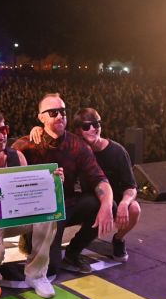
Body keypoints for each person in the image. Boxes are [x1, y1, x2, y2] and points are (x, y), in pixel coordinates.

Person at [12, 93, 115, 276]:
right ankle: (29, 238)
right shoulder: (25, 145)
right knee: (50, 269)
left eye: (62, 112)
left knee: (107, 204)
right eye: (53, 113)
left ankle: (73, 253)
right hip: (38, 213)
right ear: (41, 117)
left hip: (65, 206)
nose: (60, 116)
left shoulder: (77, 145)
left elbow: (99, 179)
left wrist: (107, 206)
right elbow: (2, 167)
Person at [0, 109, 57, 298]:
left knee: (48, 215)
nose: (2, 136)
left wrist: (51, 182)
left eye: (4, 130)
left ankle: (36, 274)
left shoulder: (17, 157)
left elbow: (28, 195)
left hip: (12, 216)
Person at [33, 108, 140, 261]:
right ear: (78, 131)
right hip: (91, 197)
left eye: (96, 124)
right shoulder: (78, 149)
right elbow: (56, 135)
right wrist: (38, 130)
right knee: (93, 205)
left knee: (134, 209)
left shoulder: (117, 151)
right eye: (86, 126)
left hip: (116, 198)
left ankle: (118, 239)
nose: (92, 129)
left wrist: (124, 203)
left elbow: (131, 185)